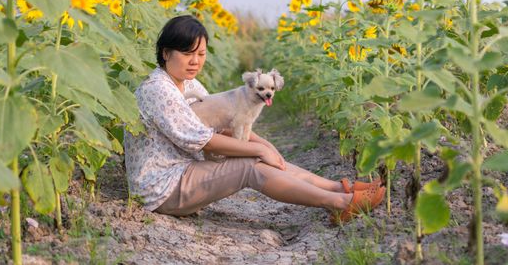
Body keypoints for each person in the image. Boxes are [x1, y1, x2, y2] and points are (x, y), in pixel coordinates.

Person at [124, 15, 385, 224]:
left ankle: (341, 190)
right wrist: (258, 148)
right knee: (251, 164)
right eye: (187, 53)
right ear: (166, 52)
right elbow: (205, 141)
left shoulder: (186, 83)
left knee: (262, 155)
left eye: (201, 54)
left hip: (182, 172)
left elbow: (222, 124)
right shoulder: (159, 90)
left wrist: (264, 146)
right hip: (162, 188)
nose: (195, 61)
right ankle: (340, 205)